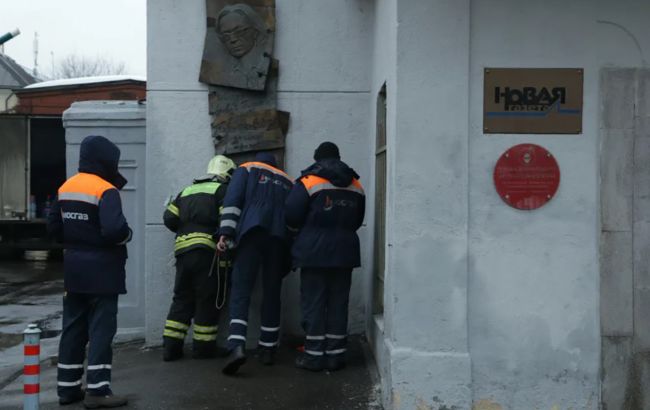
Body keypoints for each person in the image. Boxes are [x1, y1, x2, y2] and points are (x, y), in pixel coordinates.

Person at [48, 135, 131, 408]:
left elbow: (53, 229)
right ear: (106, 160)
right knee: (101, 330)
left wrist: (76, 241)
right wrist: (127, 235)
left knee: (72, 329)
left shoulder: (66, 187)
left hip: (74, 271)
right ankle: (97, 390)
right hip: (103, 273)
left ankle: (67, 388)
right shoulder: (106, 190)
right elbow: (115, 230)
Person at [284, 142, 365, 372]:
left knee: (314, 302)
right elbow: (358, 220)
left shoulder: (309, 181)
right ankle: (335, 356)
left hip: (314, 252)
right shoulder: (356, 185)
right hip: (345, 252)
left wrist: (302, 234)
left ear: (317, 159)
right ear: (338, 158)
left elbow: (291, 214)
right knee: (339, 302)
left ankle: (313, 356)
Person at [217, 152, 293, 375]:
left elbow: (233, 202)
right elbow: (293, 214)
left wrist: (225, 233)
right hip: (278, 237)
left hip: (251, 231)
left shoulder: (247, 168)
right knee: (272, 292)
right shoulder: (288, 180)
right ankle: (268, 348)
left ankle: (236, 346)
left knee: (241, 289)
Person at [161, 155, 237, 361]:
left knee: (182, 298)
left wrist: (186, 229)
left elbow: (169, 218)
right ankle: (203, 349)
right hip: (206, 253)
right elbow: (227, 220)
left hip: (182, 252)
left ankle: (171, 348)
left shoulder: (186, 190)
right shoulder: (222, 190)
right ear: (227, 174)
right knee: (206, 298)